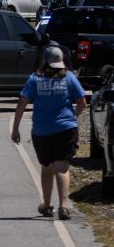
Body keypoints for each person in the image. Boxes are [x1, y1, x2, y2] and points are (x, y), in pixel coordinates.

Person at [12, 46, 86, 220]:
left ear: (44, 61)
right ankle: (63, 207)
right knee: (62, 167)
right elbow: (82, 102)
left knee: (47, 167)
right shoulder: (69, 78)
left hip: (42, 131)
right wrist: (72, 117)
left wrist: (15, 128)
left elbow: (22, 102)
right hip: (66, 129)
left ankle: (46, 204)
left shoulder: (35, 79)